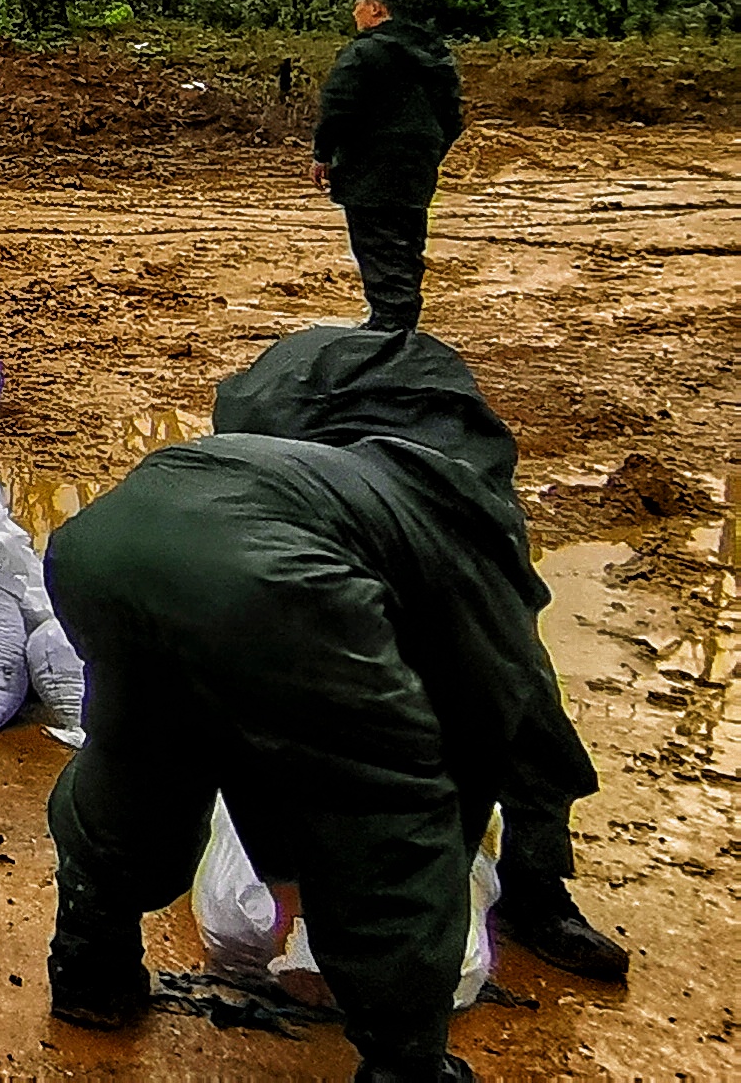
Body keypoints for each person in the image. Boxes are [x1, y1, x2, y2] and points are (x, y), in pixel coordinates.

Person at [42, 326, 601, 1081]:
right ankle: (405, 1065)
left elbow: (257, 717)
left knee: (137, 757)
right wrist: (510, 863)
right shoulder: (458, 520)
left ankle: (91, 969)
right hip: (265, 581)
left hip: (107, 538)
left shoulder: (294, 466)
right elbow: (507, 709)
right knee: (389, 810)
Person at [204, 324, 630, 985]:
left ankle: (537, 892)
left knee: (533, 729)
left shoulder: (479, 572)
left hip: (421, 442)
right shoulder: (282, 530)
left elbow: (510, 716)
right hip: (293, 415)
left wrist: (441, 867)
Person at [317, 0, 467, 334]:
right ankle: (401, 322)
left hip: (370, 163)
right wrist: (430, 149)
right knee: (407, 241)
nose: (354, 14)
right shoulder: (435, 55)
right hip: (418, 161)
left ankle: (389, 330)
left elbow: (338, 105)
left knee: (377, 243)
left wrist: (323, 153)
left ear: (377, 9)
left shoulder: (365, 53)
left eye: (358, 6)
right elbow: (452, 112)